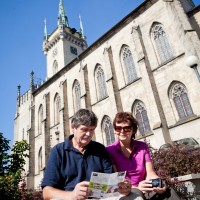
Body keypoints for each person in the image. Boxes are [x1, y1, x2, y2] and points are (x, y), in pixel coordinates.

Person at [42, 109, 142, 200]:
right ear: (73, 127)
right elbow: (46, 192)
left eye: (92, 130)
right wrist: (72, 195)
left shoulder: (100, 149)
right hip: (69, 197)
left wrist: (122, 187)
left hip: (100, 198)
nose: (89, 134)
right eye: (84, 129)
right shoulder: (59, 151)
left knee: (135, 197)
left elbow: (111, 182)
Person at [106, 112, 168, 200]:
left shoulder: (142, 147)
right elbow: (117, 181)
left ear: (133, 130)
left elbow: (150, 173)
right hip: (125, 192)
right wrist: (136, 187)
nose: (122, 131)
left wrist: (159, 183)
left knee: (169, 192)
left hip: (145, 188)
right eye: (118, 128)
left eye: (126, 128)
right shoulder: (110, 150)